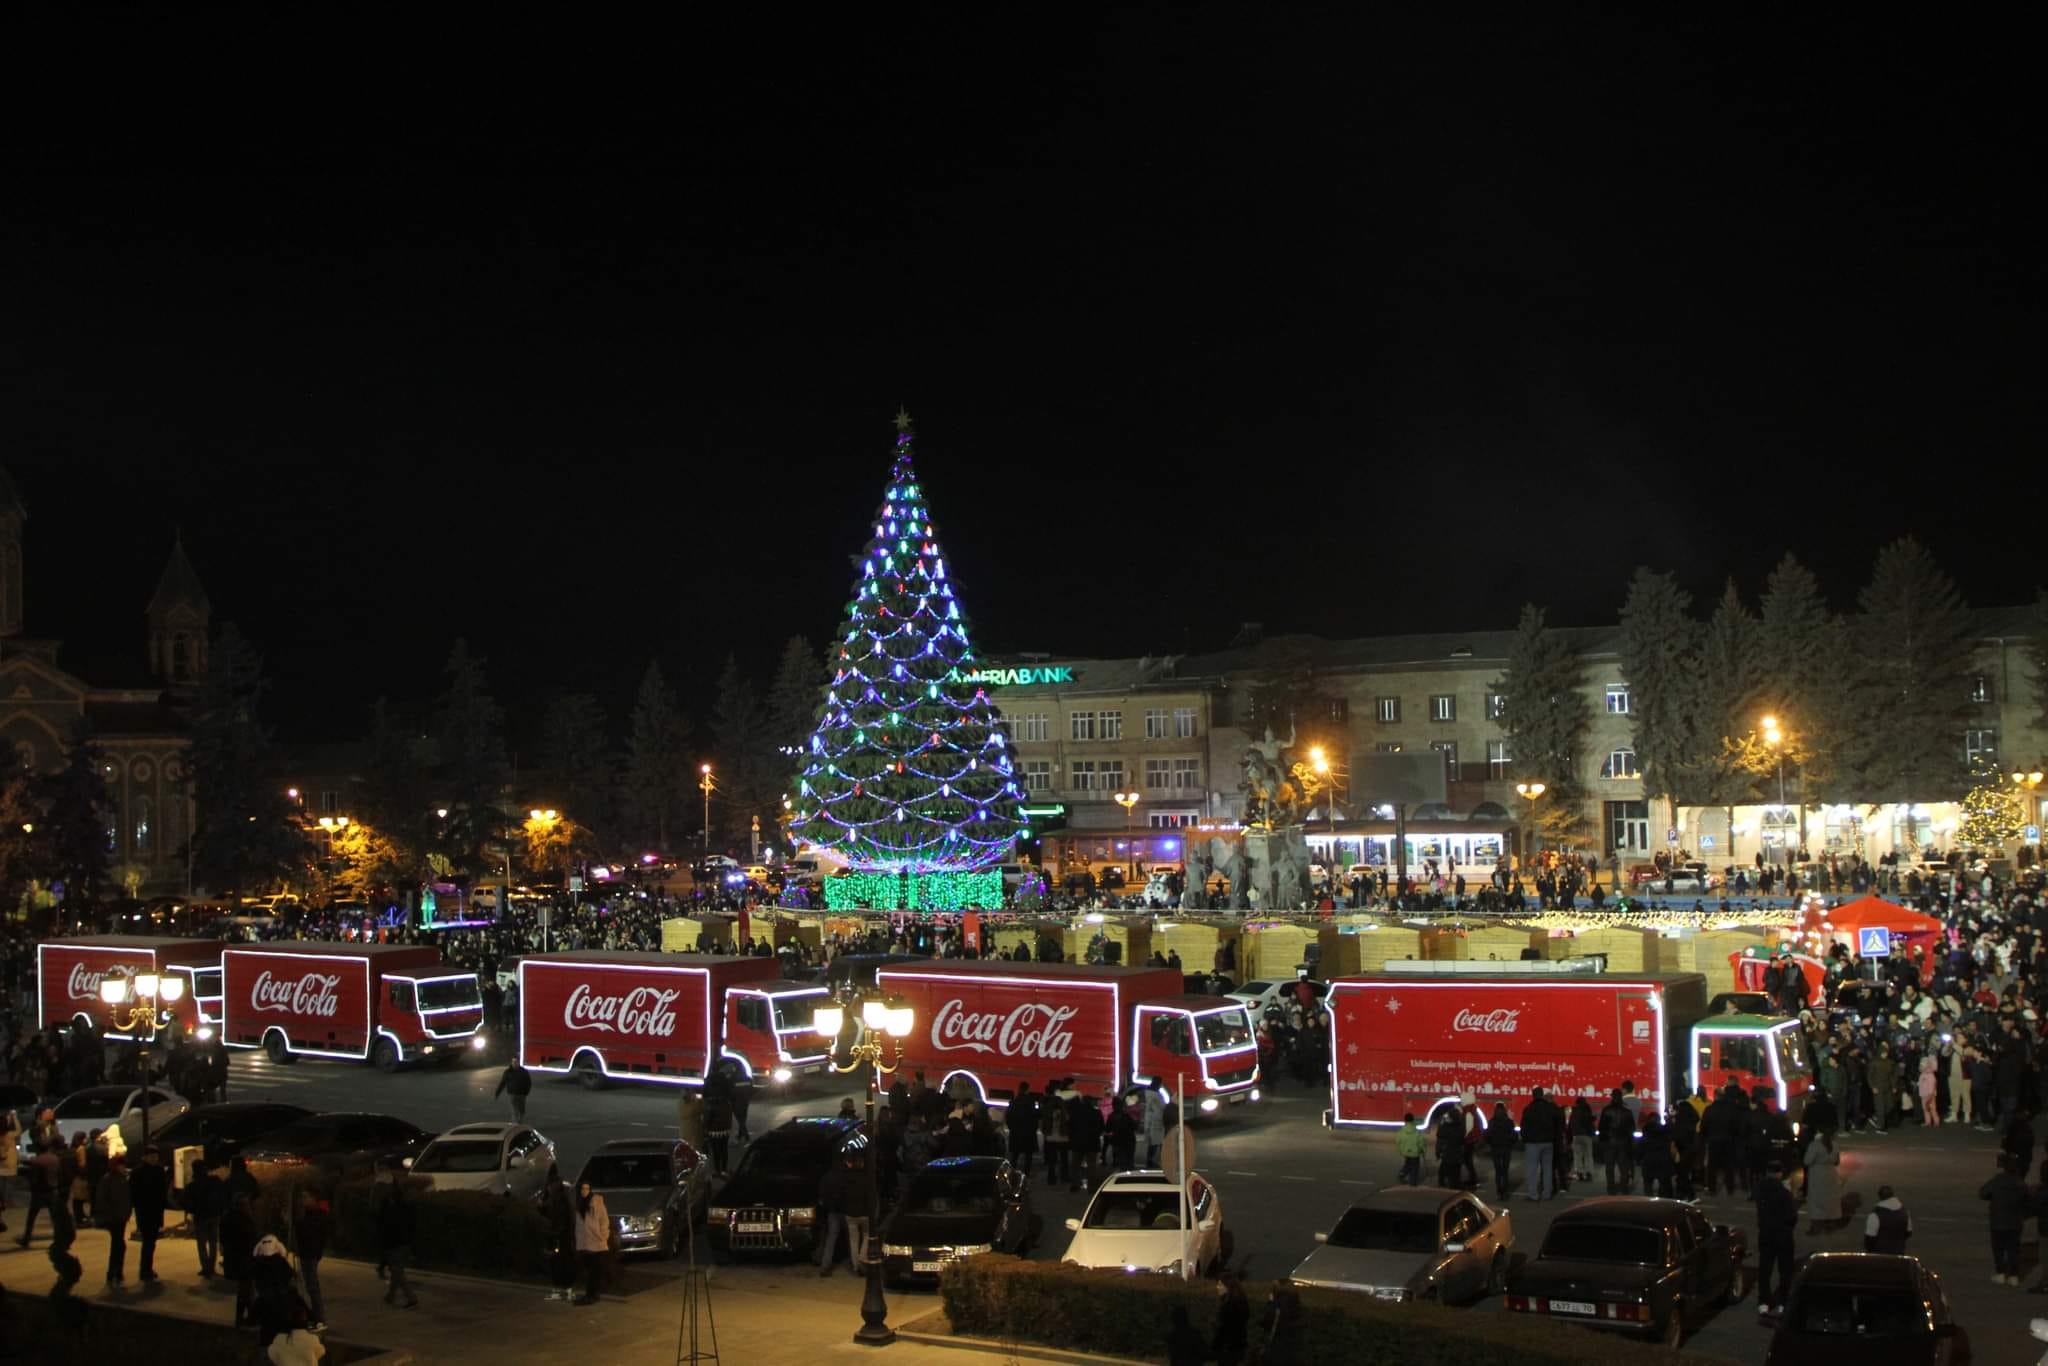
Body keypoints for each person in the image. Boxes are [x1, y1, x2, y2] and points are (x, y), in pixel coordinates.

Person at [1754, 1161, 1799, 1316]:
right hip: (1783, 1235)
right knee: (1785, 1270)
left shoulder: (1760, 1189)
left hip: (1766, 1234)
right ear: (1779, 1173)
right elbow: (1792, 1216)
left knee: (1765, 1269)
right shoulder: (1784, 1193)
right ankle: (1782, 1302)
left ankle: (1763, 1302)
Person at [1981, 1153, 2030, 1286]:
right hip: (2014, 1222)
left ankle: (2000, 1273)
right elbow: (2028, 1199)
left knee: (1998, 1249)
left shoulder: (1998, 1180)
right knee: (2013, 1249)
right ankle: (2013, 1275)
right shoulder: (2020, 1183)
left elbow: (1983, 1193)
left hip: (1998, 1220)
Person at [378, 1174, 420, 1309]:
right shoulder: (395, 1203)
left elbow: (388, 1224)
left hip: (397, 1241)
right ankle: (390, 1296)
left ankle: (411, 1297)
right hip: (399, 1241)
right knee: (396, 1270)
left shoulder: (395, 1204)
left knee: (397, 1271)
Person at [128, 1145, 169, 1282]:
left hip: (154, 1211)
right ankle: (145, 1271)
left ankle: (147, 1269)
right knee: (148, 1242)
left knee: (150, 1242)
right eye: (151, 1156)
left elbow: (163, 1191)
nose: (154, 1158)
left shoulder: (157, 1170)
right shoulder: (139, 1172)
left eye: (155, 1156)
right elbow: (134, 1194)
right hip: (145, 1212)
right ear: (145, 1157)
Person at [295, 1190, 332, 1332]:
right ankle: (316, 1316)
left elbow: (309, 1232)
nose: (303, 1200)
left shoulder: (317, 1215)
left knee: (312, 1286)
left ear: (314, 1199)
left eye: (306, 1197)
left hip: (310, 1252)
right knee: (310, 1285)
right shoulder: (308, 1213)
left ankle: (319, 1317)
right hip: (307, 1251)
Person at [541, 1165, 577, 1302]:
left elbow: (562, 1221)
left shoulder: (560, 1201)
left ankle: (565, 1290)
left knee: (561, 1263)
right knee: (557, 1264)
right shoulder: (555, 1199)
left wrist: (554, 1234)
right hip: (559, 1236)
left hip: (561, 1238)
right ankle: (561, 1290)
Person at [96, 1151, 132, 1287]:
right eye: (121, 1165)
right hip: (113, 1217)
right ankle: (114, 1273)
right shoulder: (109, 1179)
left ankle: (116, 1273)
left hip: (121, 1216)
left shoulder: (122, 1178)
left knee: (119, 1245)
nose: (123, 1167)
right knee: (118, 1245)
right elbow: (102, 1200)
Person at [571, 1178, 609, 1305]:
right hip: (585, 1242)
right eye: (582, 1188)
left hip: (596, 1241)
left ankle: (591, 1295)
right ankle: (591, 1294)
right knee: (589, 1270)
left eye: (587, 1188)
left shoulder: (597, 1202)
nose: (584, 1191)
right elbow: (579, 1225)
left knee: (594, 1271)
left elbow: (604, 1220)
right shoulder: (579, 1203)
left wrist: (603, 1235)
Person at [224, 1192, 260, 1327]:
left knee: (246, 1289)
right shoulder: (244, 1220)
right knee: (246, 1290)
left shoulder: (229, 1217)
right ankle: (244, 1318)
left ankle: (247, 1317)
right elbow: (250, 1239)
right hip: (244, 1259)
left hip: (237, 1258)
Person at [191, 1159, 228, 1278]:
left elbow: (187, 1201)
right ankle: (211, 1266)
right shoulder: (215, 1180)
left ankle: (205, 1267)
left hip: (200, 1216)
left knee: (201, 1243)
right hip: (215, 1215)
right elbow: (223, 1194)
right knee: (213, 1241)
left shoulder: (193, 1184)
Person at [1519, 1088, 1557, 1201]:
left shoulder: (1528, 1109)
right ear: (1542, 1095)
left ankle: (1533, 1194)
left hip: (1533, 1143)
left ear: (1533, 1096)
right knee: (1548, 1169)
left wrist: (1525, 1139)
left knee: (1532, 1169)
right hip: (1548, 1142)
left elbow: (1523, 1126)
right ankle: (1547, 1193)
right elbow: (1555, 1124)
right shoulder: (1550, 1109)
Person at [1598, 1088, 1635, 1194]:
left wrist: (1603, 1140)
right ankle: (1624, 1188)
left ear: (1612, 1097)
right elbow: (1631, 1128)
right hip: (1623, 1142)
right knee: (1623, 1167)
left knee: (1610, 1167)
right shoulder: (1627, 1112)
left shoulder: (1606, 1110)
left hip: (1609, 1141)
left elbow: (1602, 1127)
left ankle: (1611, 1188)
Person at [1212, 1272, 1251, 1366]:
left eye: (1220, 1284)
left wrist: (1215, 1346)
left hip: (1227, 1349)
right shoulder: (1242, 1302)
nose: (1217, 1287)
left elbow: (1224, 1329)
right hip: (1238, 1347)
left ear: (1228, 1286)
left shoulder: (1228, 1305)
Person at [1863, 1184, 1912, 1254]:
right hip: (1899, 1255)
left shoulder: (1875, 1215)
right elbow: (1908, 1233)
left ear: (1880, 1197)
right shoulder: (1905, 1212)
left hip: (1880, 1256)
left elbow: (1869, 1240)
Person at [1485, 1103, 1517, 1200]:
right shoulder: (1509, 1122)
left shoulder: (1492, 1122)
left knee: (1498, 1171)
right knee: (1505, 1171)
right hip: (1506, 1148)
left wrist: (1491, 1143)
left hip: (1495, 1149)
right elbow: (1514, 1135)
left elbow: (1487, 1135)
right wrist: (1510, 1144)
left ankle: (1499, 1191)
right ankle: (1505, 1192)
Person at [1433, 1109, 1464, 1188]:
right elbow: (1463, 1140)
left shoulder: (1444, 1127)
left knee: (1444, 1169)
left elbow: (1440, 1142)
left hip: (1447, 1153)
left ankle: (1443, 1183)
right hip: (1458, 1154)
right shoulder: (1461, 1126)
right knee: (1456, 1172)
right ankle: (1455, 1185)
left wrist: (1438, 1152)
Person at [1395, 1112, 1426, 1186]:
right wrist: (1423, 1151)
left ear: (1405, 1121)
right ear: (1413, 1120)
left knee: (1408, 1164)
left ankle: (1402, 1174)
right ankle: (1412, 1183)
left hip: (1405, 1152)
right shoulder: (1417, 1132)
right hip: (1415, 1153)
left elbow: (1398, 1141)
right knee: (1415, 1168)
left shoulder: (1401, 1131)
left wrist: (1401, 1150)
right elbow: (1421, 1143)